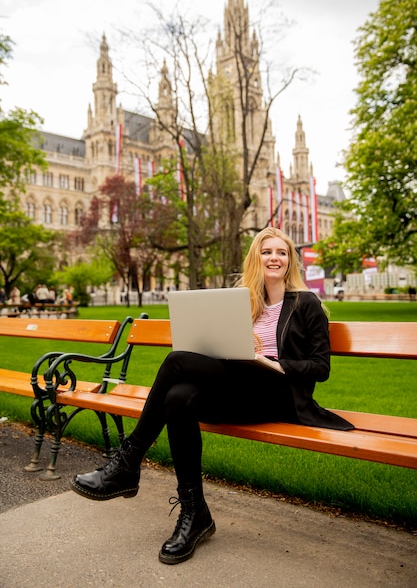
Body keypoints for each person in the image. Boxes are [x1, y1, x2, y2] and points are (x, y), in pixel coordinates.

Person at [71, 228, 354, 565]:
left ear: (290, 259)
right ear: (256, 258)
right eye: (267, 252)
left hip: (280, 395)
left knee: (177, 361)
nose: (274, 258)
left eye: (282, 252)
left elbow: (321, 368)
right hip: (240, 391)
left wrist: (269, 361)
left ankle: (128, 463)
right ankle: (195, 514)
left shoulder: (306, 303)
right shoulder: (243, 300)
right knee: (178, 398)